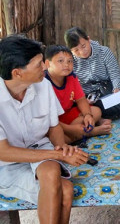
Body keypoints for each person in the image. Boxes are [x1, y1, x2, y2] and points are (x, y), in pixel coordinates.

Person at [0, 36, 89, 224]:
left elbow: (54, 126)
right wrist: (60, 155)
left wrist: (63, 148)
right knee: (65, 190)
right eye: (38, 64)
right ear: (17, 73)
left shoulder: (43, 86)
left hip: (41, 150)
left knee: (50, 172)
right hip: (7, 166)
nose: (44, 67)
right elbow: (3, 152)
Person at [64, 26, 120, 119]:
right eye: (76, 50)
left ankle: (97, 114)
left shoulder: (104, 52)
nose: (82, 52)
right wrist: (82, 99)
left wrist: (117, 91)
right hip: (84, 96)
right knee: (75, 108)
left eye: (83, 46)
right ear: (71, 50)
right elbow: (70, 84)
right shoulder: (70, 61)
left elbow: (115, 74)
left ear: (88, 39)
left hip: (106, 90)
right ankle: (97, 113)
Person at [44, 45, 112, 143]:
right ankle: (89, 132)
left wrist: (88, 115)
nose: (66, 65)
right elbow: (48, 119)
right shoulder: (43, 83)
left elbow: (81, 99)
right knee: (56, 140)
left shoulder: (71, 77)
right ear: (47, 63)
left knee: (96, 111)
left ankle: (79, 133)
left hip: (67, 116)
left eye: (70, 61)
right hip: (52, 123)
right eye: (60, 61)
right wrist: (70, 129)